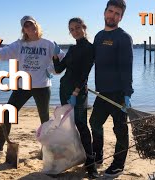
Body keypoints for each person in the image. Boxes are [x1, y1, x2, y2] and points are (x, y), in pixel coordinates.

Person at [0, 15, 64, 157]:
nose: (30, 27)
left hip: (42, 86)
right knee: (7, 114)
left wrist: (53, 69)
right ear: (23, 29)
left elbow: (63, 60)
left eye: (32, 24)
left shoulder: (49, 44)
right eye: (26, 26)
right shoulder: (19, 45)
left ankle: (46, 150)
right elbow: (1, 55)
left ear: (37, 25)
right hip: (22, 86)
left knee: (44, 119)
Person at [89, 0, 133, 178]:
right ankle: (98, 155)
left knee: (120, 130)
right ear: (104, 12)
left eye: (117, 13)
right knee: (95, 122)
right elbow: (91, 61)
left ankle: (118, 165)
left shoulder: (123, 37)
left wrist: (127, 94)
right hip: (102, 92)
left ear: (121, 17)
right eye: (110, 11)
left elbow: (127, 67)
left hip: (118, 93)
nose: (112, 16)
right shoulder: (99, 36)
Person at [52, 17, 98, 178]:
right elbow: (58, 70)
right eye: (72, 29)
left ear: (84, 28)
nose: (75, 31)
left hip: (78, 93)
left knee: (81, 125)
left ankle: (91, 163)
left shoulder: (90, 48)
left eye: (77, 27)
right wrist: (55, 55)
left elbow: (85, 73)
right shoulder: (72, 49)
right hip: (64, 90)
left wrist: (76, 92)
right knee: (68, 125)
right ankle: (71, 158)